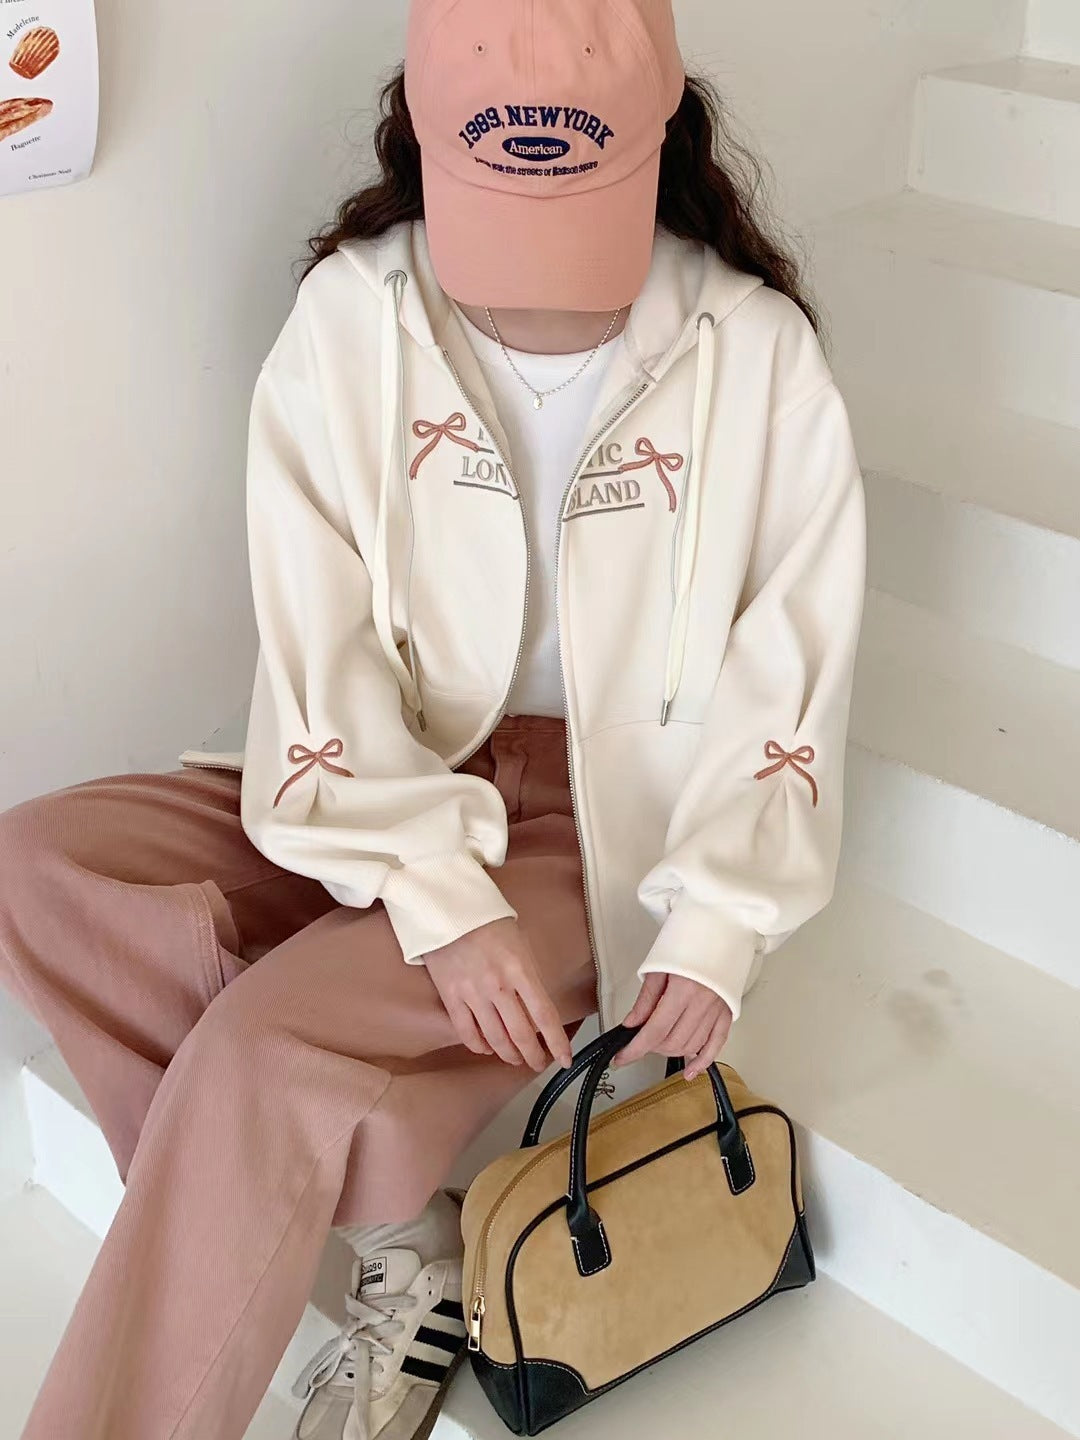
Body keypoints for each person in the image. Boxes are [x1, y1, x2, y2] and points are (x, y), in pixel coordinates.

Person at [0, 1, 865, 1437]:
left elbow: (796, 663)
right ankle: (382, 1218)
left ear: (659, 134)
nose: (534, 298)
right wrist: (428, 889)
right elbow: (316, 633)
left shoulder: (756, 354)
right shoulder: (353, 316)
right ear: (423, 134)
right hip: (381, 770)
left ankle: (280, 1202)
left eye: (574, 226)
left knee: (261, 1052)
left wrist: (722, 918)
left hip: (605, 814)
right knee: (39, 866)